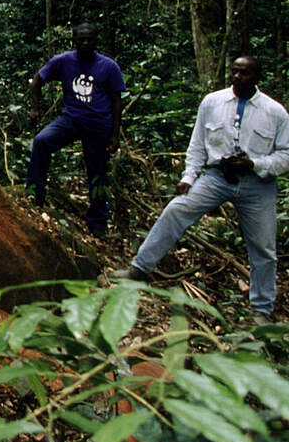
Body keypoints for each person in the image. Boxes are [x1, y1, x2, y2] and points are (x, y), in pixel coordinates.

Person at [109, 56, 289, 324]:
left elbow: (285, 156)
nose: (238, 77)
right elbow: (198, 145)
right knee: (176, 210)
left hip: (256, 184)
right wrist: (188, 177)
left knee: (263, 247)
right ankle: (139, 269)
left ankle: (261, 310)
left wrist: (254, 163)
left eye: (245, 73)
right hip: (216, 177)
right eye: (235, 71)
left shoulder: (275, 112)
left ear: (257, 77)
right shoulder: (212, 102)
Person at [27, 23, 126, 233]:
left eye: (89, 39)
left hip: (99, 125)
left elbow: (117, 101)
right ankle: (34, 197)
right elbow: (37, 80)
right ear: (75, 40)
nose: (85, 43)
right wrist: (35, 108)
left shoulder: (108, 66)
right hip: (71, 120)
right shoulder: (63, 61)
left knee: (97, 173)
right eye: (81, 39)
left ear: (95, 41)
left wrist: (114, 135)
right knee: (42, 141)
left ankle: (98, 225)